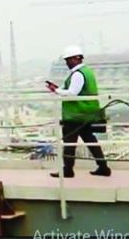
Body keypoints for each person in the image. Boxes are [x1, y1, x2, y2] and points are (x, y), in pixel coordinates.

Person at [47, 45, 111, 178]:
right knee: (90, 139)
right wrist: (59, 89)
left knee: (69, 142)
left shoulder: (78, 74)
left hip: (76, 115)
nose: (67, 63)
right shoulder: (87, 71)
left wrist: (56, 91)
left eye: (68, 60)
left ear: (76, 59)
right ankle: (103, 167)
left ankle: (68, 170)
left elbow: (72, 93)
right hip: (86, 113)